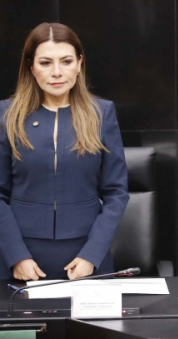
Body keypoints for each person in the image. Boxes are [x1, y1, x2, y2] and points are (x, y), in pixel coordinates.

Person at [0, 23, 129, 281]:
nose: (57, 72)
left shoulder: (101, 113)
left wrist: (92, 255)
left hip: (87, 259)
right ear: (31, 67)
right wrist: (16, 256)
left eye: (66, 61)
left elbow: (116, 193)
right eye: (46, 62)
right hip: (23, 260)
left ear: (79, 63)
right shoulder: (7, 114)